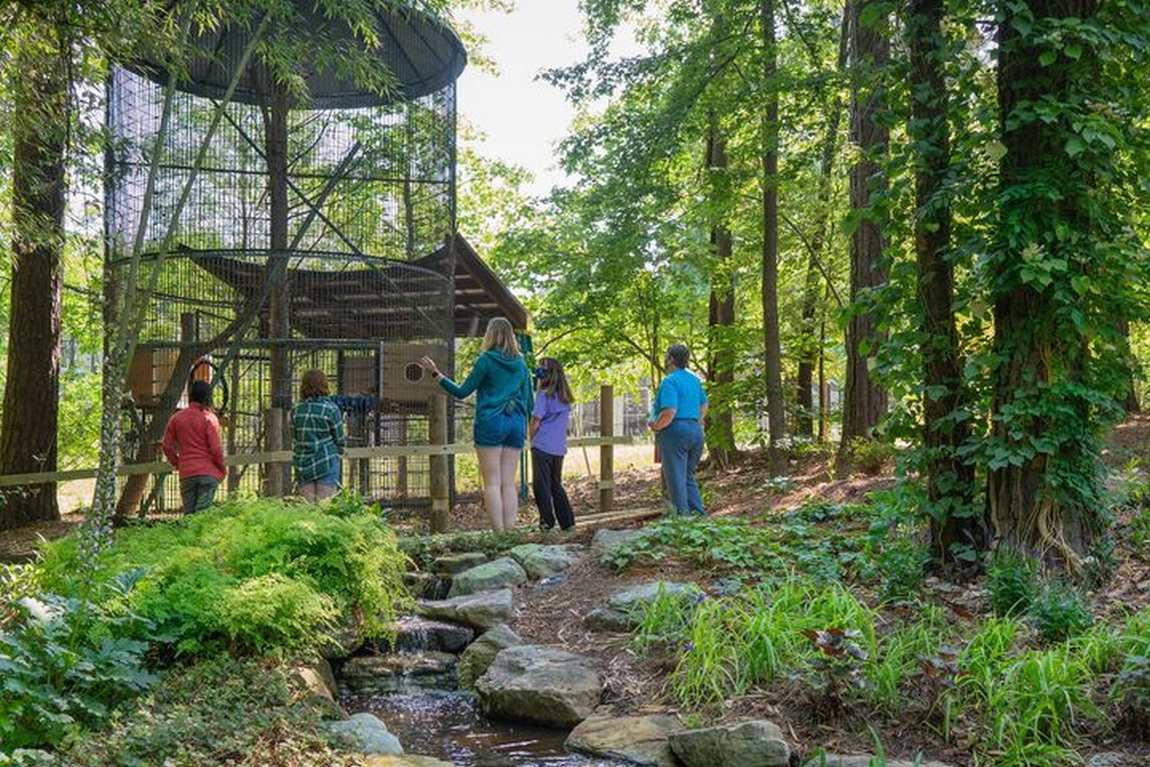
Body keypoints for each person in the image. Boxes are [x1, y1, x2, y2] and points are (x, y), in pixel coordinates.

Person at [420, 317, 533, 531]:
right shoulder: (521, 364)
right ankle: (510, 532)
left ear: (490, 334)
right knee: (509, 482)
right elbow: (529, 401)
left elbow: (462, 392)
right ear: (510, 336)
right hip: (516, 424)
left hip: (490, 423)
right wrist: (527, 427)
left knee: (491, 482)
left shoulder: (486, 360)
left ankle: (498, 533)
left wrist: (436, 374)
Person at [648, 343, 707, 516]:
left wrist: (656, 425)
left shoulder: (670, 381)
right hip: (696, 431)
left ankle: (683, 521)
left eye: (667, 356)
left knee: (675, 479)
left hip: (675, 432)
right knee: (688, 476)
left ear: (671, 359)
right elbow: (704, 405)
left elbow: (669, 411)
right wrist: (697, 420)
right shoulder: (694, 379)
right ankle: (698, 514)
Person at [162, 379, 227, 514]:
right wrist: (221, 468)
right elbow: (215, 449)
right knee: (201, 517)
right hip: (208, 473)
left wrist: (178, 463)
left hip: (187, 473)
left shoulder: (176, 418)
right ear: (207, 397)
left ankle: (187, 535)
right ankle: (201, 536)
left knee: (189, 516)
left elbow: (167, 446)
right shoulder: (209, 418)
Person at [529, 357, 575, 532]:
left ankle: (547, 522)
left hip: (541, 445)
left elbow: (536, 420)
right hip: (558, 448)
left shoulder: (543, 395)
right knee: (556, 484)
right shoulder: (564, 397)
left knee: (541, 486)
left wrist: (530, 439)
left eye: (541, 369)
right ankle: (568, 522)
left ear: (547, 374)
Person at [292, 369, 346, 502]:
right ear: (324, 385)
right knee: (325, 508)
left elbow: (295, 436)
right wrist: (338, 453)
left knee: (308, 510)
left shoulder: (296, 409)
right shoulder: (331, 409)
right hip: (326, 461)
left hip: (303, 464)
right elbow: (339, 439)